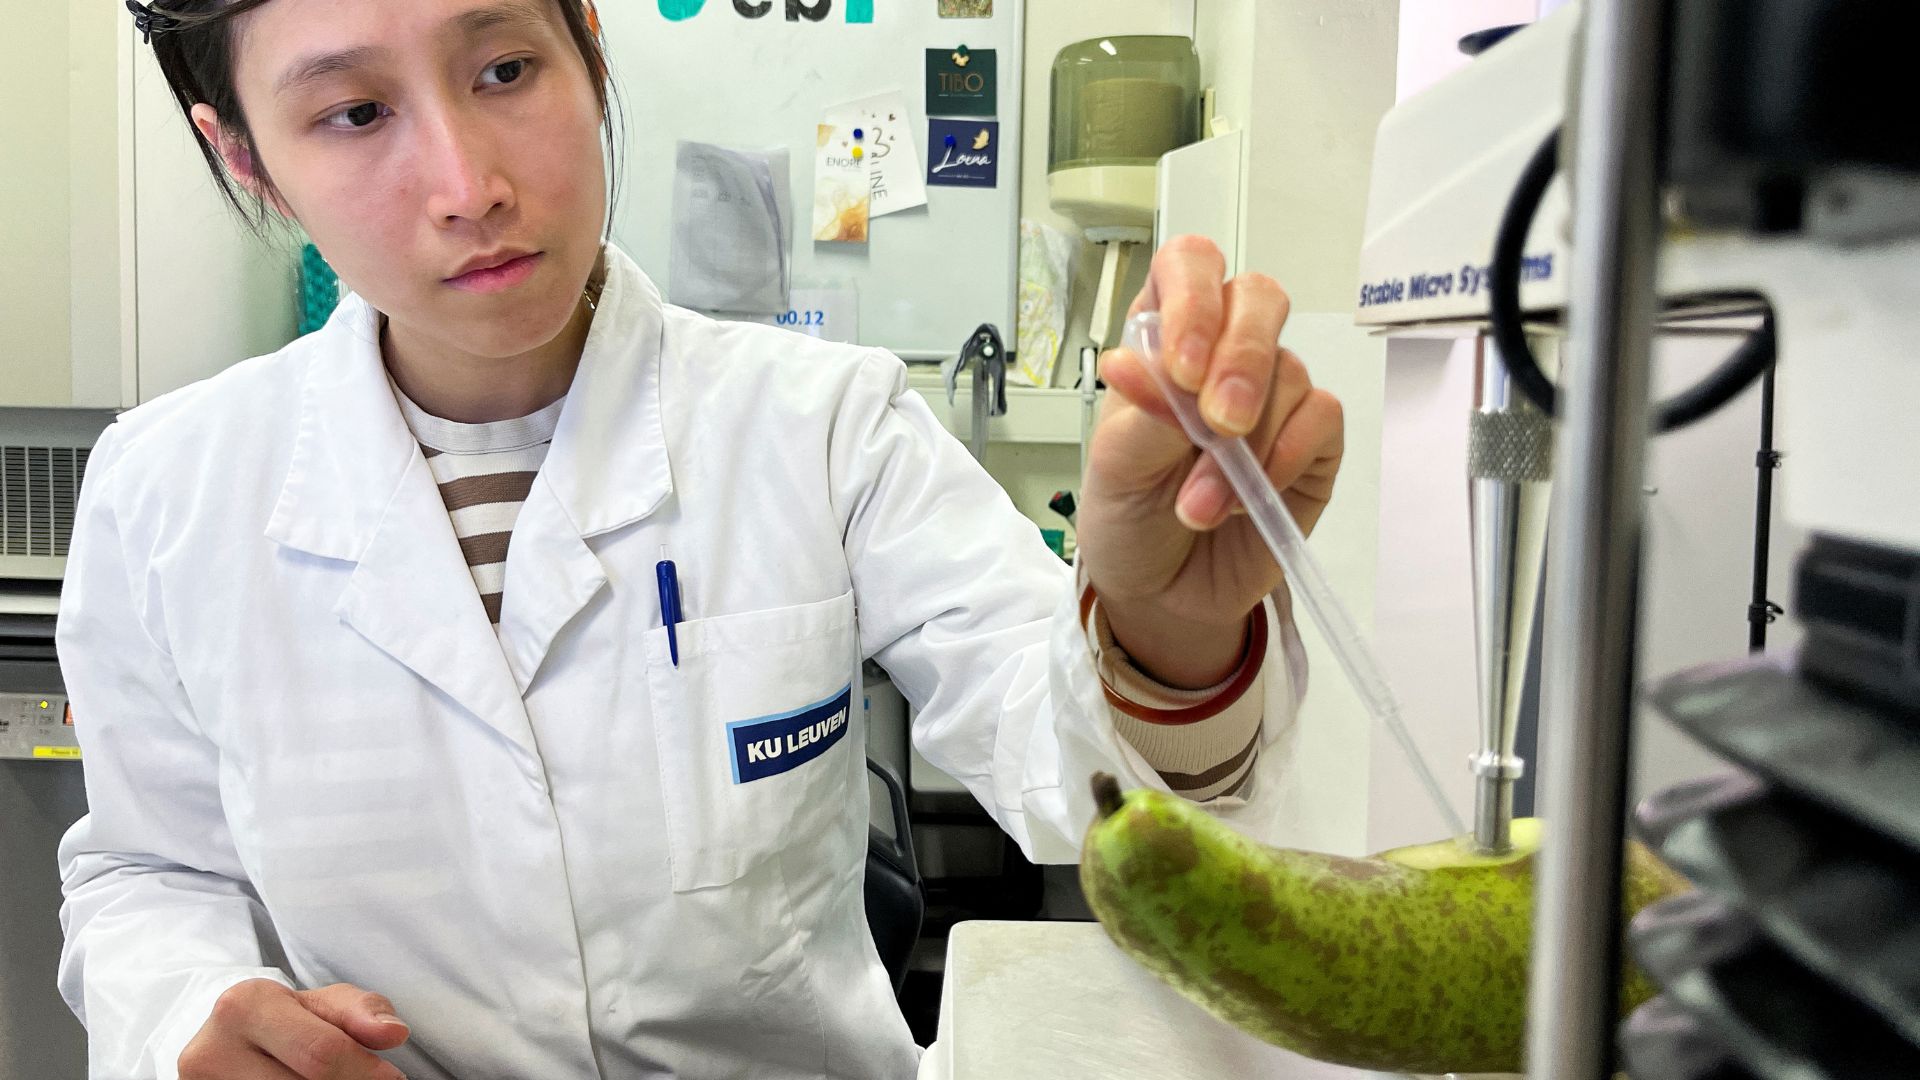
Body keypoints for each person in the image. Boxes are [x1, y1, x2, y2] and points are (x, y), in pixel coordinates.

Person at [58, 2, 1344, 1078]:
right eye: (354, 113)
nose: (470, 188)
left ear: (590, 51)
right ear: (240, 156)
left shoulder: (822, 423)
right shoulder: (165, 492)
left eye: (506, 70)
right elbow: (143, 868)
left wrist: (1167, 627)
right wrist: (182, 1009)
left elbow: (1065, 766)